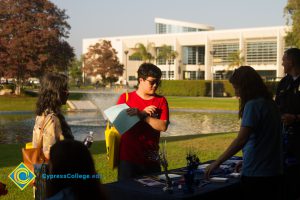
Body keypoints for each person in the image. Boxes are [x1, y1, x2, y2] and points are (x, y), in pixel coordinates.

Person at [204, 66, 283, 200]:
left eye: (237, 87)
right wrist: (247, 160)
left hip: (257, 174)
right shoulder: (270, 103)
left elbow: (241, 140)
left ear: (246, 86)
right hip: (274, 170)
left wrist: (216, 163)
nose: (236, 93)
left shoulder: (253, 105)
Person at [117, 63, 169, 180]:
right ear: (141, 80)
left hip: (151, 160)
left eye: (158, 82)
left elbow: (163, 126)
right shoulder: (125, 99)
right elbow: (120, 126)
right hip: (128, 160)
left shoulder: (161, 101)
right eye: (152, 82)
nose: (155, 85)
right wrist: (141, 114)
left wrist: (143, 116)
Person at [275, 48, 300, 200]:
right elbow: (277, 105)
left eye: (284, 60)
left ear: (290, 62)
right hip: (285, 139)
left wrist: (296, 118)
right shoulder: (284, 83)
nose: (282, 63)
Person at [33, 73, 73, 160]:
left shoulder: (42, 115)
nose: (68, 93)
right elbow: (50, 152)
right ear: (55, 93)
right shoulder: (52, 119)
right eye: (65, 89)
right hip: (57, 170)